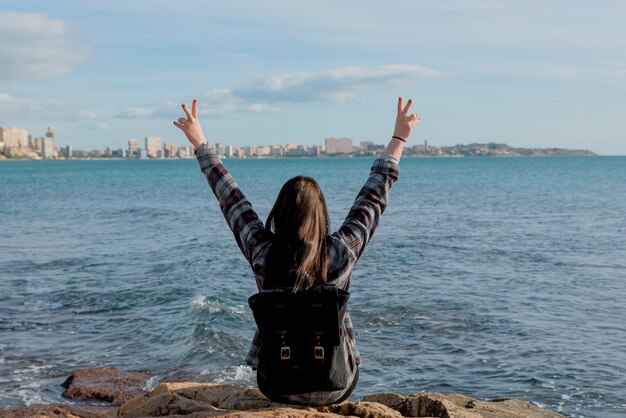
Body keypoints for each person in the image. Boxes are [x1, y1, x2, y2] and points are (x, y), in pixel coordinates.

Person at [174, 98, 420, 405]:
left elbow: (231, 199)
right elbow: (372, 198)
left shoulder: (262, 252)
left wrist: (200, 142)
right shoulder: (341, 252)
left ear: (279, 212)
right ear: (320, 215)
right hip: (337, 386)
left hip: (276, 385)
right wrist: (399, 138)